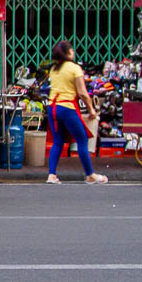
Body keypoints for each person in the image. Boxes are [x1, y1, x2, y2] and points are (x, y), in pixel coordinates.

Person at [46, 40, 107, 184]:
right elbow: (83, 93)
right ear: (69, 53)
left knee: (58, 142)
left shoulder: (54, 69)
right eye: (72, 50)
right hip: (67, 108)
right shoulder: (74, 68)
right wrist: (91, 109)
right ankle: (90, 174)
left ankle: (51, 175)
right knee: (82, 139)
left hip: (52, 107)